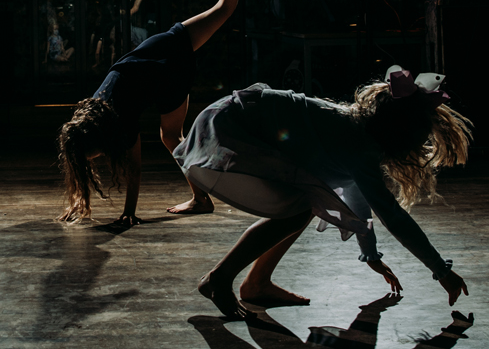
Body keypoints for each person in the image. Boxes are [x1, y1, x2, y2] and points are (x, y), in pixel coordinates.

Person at [173, 67, 473, 317]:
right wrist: (440, 270)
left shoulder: (356, 129)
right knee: (298, 208)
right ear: (398, 136)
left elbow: (357, 199)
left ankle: (257, 284)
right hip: (230, 123)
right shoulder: (360, 148)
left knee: (302, 204)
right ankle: (219, 279)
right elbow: (392, 216)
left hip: (235, 115)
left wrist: (370, 255)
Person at [58, 0, 277, 226]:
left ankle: (201, 199)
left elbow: (135, 169)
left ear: (97, 140)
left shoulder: (118, 118)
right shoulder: (94, 108)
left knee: (172, 137)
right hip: (162, 46)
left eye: (92, 156)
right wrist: (78, 200)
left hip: (169, 71)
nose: (95, 159)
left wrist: (129, 212)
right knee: (223, 9)